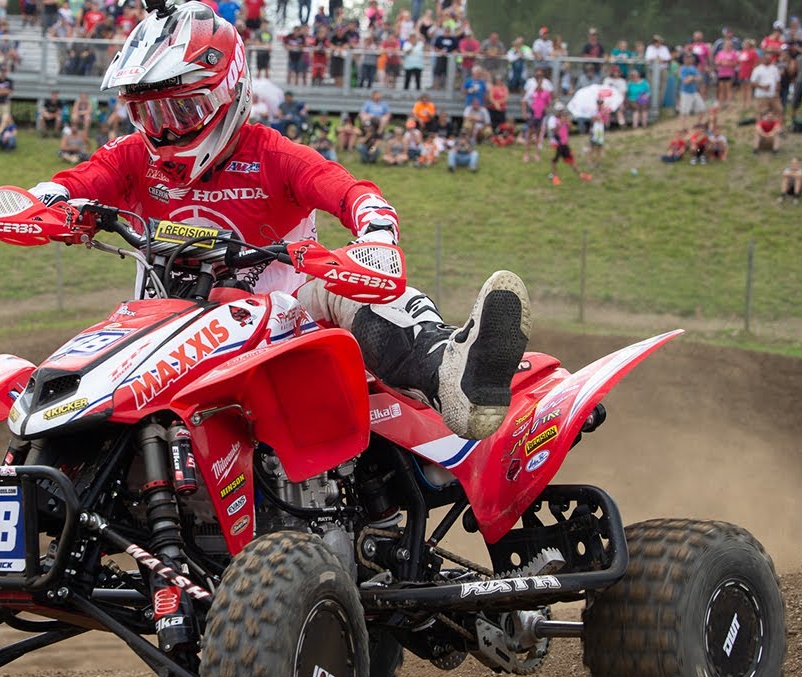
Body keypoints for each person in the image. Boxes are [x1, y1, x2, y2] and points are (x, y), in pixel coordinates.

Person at [29, 1, 532, 440]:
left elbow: (351, 190)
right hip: (166, 328)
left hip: (283, 322)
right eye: (151, 115)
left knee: (338, 283)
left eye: (185, 109)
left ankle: (452, 371)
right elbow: (75, 182)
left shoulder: (273, 154)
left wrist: (376, 232)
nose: (167, 131)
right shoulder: (131, 157)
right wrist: (38, 205)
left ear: (228, 91)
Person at [549, 110, 591, 185]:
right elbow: (554, 131)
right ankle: (555, 177)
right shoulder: (557, 122)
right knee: (554, 161)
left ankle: (581, 175)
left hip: (565, 145)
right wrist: (561, 123)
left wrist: (568, 122)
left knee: (571, 161)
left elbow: (571, 128)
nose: (565, 118)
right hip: (558, 145)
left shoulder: (566, 123)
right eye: (564, 116)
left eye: (566, 117)